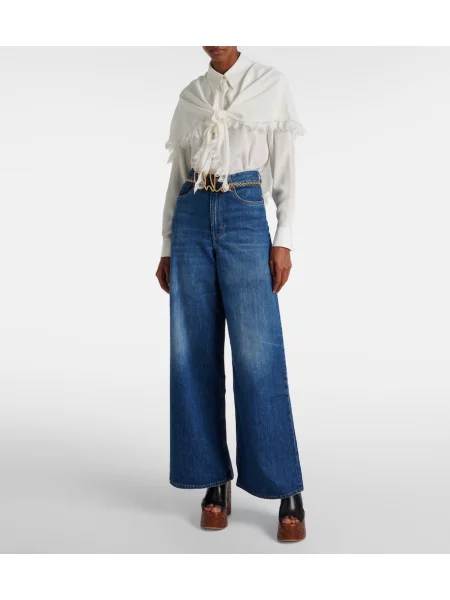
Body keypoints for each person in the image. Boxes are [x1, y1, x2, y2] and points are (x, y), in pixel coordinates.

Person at [156, 47, 306, 542]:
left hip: (245, 213)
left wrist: (283, 239)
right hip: (192, 215)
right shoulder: (192, 95)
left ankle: (285, 487)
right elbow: (178, 174)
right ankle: (214, 481)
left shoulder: (269, 84)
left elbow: (285, 169)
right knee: (192, 356)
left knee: (258, 355)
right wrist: (167, 245)